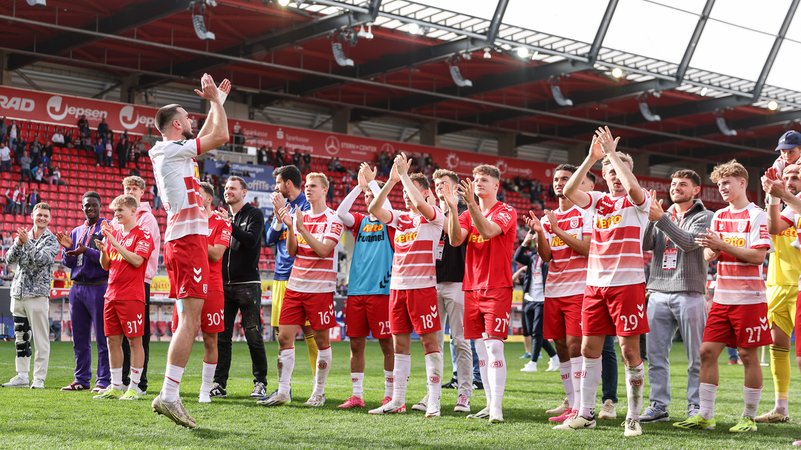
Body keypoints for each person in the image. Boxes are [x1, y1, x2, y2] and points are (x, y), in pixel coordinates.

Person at [149, 74, 231, 428]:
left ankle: (170, 394)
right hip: (186, 241)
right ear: (177, 124)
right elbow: (220, 136)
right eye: (187, 116)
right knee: (190, 321)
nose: (192, 121)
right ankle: (169, 395)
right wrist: (214, 102)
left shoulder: (172, 150)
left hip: (184, 240)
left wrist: (218, 103)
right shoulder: (170, 148)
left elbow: (207, 136)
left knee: (190, 320)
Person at [559, 127, 652, 437]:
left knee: (629, 351)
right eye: (609, 171)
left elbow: (635, 189)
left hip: (627, 285)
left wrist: (613, 154)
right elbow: (570, 192)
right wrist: (591, 158)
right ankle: (585, 413)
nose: (614, 175)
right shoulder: (598, 201)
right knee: (588, 348)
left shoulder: (639, 201)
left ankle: (633, 417)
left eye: (619, 171)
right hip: (595, 286)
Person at [674, 160, 772, 433]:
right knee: (707, 352)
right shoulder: (718, 216)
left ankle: (748, 417)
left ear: (742, 182)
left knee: (748, 356)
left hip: (750, 298)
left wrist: (722, 245)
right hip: (722, 298)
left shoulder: (757, 215)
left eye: (727, 183)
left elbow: (757, 256)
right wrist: (712, 250)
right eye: (719, 184)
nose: (722, 188)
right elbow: (708, 255)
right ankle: (706, 415)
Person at [366, 154, 444, 417]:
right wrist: (391, 181)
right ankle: (397, 400)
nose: (408, 198)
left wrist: (407, 179)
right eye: (407, 193)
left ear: (425, 193)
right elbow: (374, 210)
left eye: (413, 193)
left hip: (422, 288)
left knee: (429, 343)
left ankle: (434, 400)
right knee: (399, 345)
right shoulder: (401, 218)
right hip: (397, 289)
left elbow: (422, 206)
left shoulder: (434, 216)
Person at [258, 172, 343, 407]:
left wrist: (302, 228)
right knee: (284, 337)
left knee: (322, 340)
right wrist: (290, 226)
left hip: (320, 289)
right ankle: (283, 391)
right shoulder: (300, 216)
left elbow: (324, 250)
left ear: (325, 190)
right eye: (306, 185)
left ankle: (319, 392)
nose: (308, 189)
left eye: (313, 185)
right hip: (295, 286)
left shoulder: (333, 219)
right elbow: (293, 251)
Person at [443, 163, 518, 423]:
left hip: (496, 286)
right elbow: (454, 240)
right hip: (471, 287)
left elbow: (487, 231)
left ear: (497, 185)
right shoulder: (464, 214)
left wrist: (470, 206)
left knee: (494, 346)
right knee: (480, 349)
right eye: (476, 179)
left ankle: (496, 408)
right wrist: (453, 208)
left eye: (484, 180)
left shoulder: (506, 211)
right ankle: (488, 404)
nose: (478, 183)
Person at [522, 164, 594, 423]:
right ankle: (572, 404)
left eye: (566, 178)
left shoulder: (585, 214)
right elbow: (546, 256)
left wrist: (558, 231)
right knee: (561, 346)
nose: (560, 182)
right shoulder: (546, 218)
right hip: (553, 291)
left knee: (577, 345)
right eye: (557, 179)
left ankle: (584, 407)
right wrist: (542, 233)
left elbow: (587, 249)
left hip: (579, 289)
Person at [639, 169, 712, 422]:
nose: (675, 187)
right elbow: (645, 245)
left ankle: (696, 407)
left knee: (696, 356)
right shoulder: (664, 215)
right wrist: (651, 217)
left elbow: (689, 242)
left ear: (696, 190)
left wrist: (660, 219)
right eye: (673, 183)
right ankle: (658, 405)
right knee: (656, 356)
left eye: (683, 184)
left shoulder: (705, 216)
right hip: (658, 291)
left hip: (690, 293)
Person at [334, 163, 395, 409]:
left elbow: (385, 208)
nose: (369, 198)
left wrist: (373, 183)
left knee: (386, 345)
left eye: (373, 195)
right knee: (356, 344)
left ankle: (390, 394)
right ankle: (357, 395)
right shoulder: (359, 222)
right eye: (367, 196)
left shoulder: (391, 222)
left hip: (381, 291)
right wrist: (360, 188)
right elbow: (340, 212)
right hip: (357, 291)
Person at [172, 182, 230, 403]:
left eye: (198, 195)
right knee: (180, 333)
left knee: (210, 339)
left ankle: (205, 390)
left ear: (208, 199)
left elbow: (216, 254)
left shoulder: (221, 223)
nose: (193, 198)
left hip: (212, 285)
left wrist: (195, 239)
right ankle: (173, 387)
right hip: (185, 284)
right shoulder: (183, 221)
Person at [752, 164, 801, 424]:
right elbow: (772, 229)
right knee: (777, 347)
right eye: (788, 176)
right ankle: (781, 407)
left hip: (798, 286)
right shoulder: (785, 212)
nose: (791, 180)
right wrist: (772, 196)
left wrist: (780, 193)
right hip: (777, 285)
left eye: (796, 177)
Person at [211, 176, 268, 399]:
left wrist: (228, 224)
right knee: (222, 337)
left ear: (244, 192)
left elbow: (251, 240)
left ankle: (260, 382)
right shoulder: (222, 217)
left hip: (247, 284)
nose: (228, 192)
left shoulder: (254, 214)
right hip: (223, 284)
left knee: (253, 334)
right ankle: (219, 383)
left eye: (233, 188)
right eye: (226, 188)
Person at [94, 195, 154, 400]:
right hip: (111, 294)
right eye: (114, 211)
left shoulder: (143, 234)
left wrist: (113, 241)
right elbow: (106, 265)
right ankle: (116, 385)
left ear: (132, 211)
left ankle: (135, 386)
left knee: (135, 341)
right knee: (112, 340)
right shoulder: (114, 234)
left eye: (120, 210)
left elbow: (137, 260)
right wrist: (103, 250)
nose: (116, 214)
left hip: (132, 296)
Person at [264, 164, 318, 384]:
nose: (276, 188)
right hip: (280, 276)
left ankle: (318, 385)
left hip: (301, 275)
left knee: (310, 332)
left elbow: (302, 233)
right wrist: (278, 216)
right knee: (281, 333)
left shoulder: (305, 205)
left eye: (278, 183)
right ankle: (284, 386)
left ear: (287, 183)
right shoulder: (282, 205)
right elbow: (269, 239)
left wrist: (286, 215)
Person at [57, 192, 111, 393]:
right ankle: (81, 379)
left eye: (93, 205)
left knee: (103, 337)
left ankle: (103, 381)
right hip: (77, 287)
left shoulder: (106, 228)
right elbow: (69, 262)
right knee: (79, 338)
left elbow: (108, 258)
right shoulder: (76, 231)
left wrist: (85, 250)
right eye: (86, 206)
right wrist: (67, 251)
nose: (90, 208)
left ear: (100, 206)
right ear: (82, 208)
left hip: (98, 286)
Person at [429, 169, 473, 413]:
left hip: (457, 283)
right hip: (432, 282)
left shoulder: (465, 215)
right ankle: (432, 393)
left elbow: (457, 240)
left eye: (444, 184)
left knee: (460, 341)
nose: (439, 188)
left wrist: (447, 208)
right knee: (433, 343)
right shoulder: (431, 214)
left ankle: (464, 393)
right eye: (436, 184)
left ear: (456, 188)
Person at [1, 203, 58, 389]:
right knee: (21, 336)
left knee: (41, 339)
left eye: (45, 216)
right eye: (39, 214)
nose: (42, 218)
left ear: (49, 219)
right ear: (33, 215)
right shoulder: (23, 236)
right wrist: (18, 243)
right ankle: (22, 376)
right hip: (18, 293)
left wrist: (27, 243)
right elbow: (9, 260)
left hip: (38, 295)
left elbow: (42, 260)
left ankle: (39, 378)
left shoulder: (51, 240)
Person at [115, 176, 161, 395]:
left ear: (142, 192)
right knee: (121, 334)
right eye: (127, 188)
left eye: (134, 188)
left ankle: (139, 382)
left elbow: (140, 252)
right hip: (120, 280)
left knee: (138, 335)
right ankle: (123, 380)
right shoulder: (118, 216)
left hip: (140, 280)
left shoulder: (146, 219)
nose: (130, 191)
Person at [514, 234, 558, 374]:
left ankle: (533, 363)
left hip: (542, 300)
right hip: (529, 298)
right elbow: (517, 257)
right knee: (534, 334)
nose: (537, 243)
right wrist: (525, 243)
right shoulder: (532, 257)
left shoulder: (549, 258)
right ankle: (555, 357)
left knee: (537, 332)